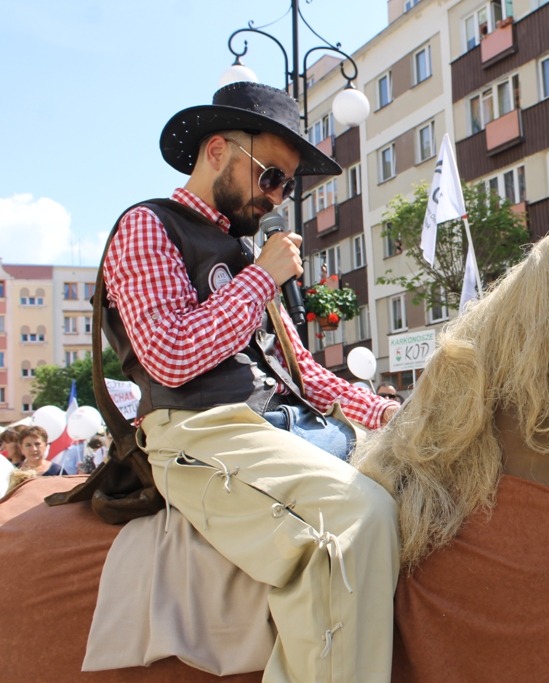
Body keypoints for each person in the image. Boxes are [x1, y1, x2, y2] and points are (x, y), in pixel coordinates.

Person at [101, 82, 401, 682]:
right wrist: (261, 278)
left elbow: (299, 371)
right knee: (354, 517)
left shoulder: (244, 257)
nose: (278, 198)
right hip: (200, 431)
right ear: (217, 150)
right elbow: (170, 357)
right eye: (271, 178)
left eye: (286, 185)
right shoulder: (147, 226)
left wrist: (389, 415)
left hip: (286, 428)